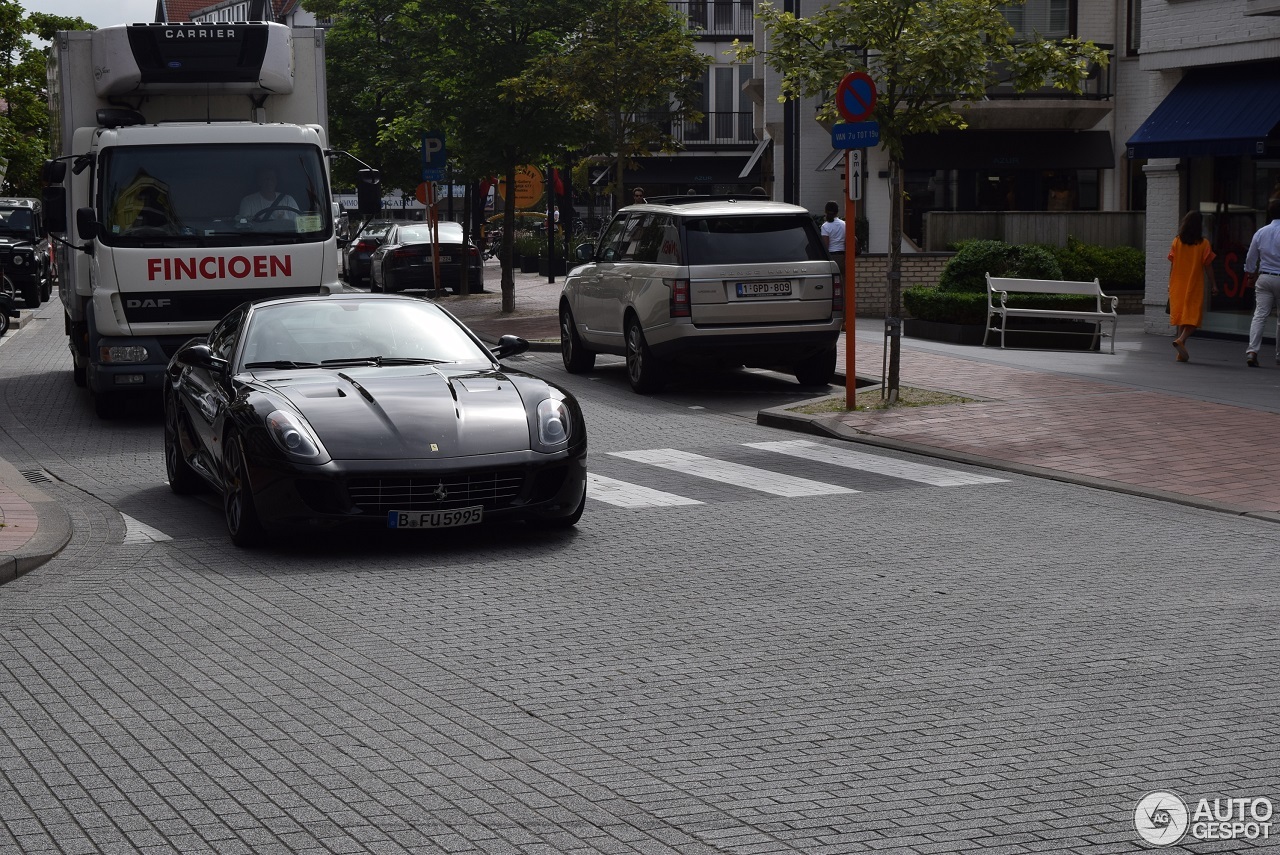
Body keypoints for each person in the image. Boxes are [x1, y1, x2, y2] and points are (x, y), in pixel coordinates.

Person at [1166, 209, 1218, 363]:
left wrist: (1169, 283)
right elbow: (1208, 266)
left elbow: (1172, 263)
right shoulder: (1203, 244)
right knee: (1194, 319)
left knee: (1183, 318)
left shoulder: (1177, 241)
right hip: (1194, 284)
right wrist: (1214, 284)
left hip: (1177, 284)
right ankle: (1181, 340)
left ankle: (1181, 353)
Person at [1243, 198, 1280, 367]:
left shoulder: (1261, 232)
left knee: (1259, 315)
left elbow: (1251, 257)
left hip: (1264, 277)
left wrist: (1250, 273)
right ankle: (1279, 355)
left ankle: (1252, 351)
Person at [820, 201, 846, 276]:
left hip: (832, 257)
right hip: (843, 257)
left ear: (825, 211)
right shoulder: (844, 224)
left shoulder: (825, 226)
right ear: (837, 212)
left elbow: (826, 245)